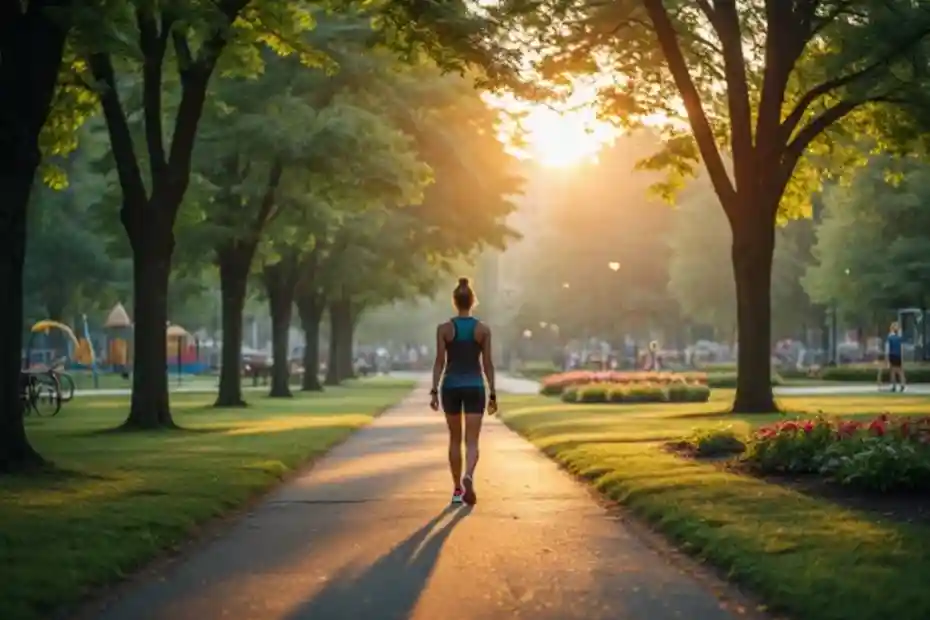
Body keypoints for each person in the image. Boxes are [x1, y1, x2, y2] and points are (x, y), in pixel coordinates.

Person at [429, 277, 497, 506]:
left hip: (450, 387)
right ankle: (469, 475)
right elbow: (487, 364)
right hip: (475, 387)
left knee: (454, 439)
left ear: (455, 302)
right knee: (472, 441)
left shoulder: (444, 329)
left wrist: (433, 390)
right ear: (472, 301)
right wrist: (493, 392)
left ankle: (457, 489)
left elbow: (440, 361)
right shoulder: (483, 330)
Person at [885, 321, 906, 392]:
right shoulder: (899, 338)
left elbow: (887, 349)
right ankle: (902, 385)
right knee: (900, 371)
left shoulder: (889, 338)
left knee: (893, 371)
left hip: (892, 355)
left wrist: (887, 359)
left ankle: (894, 386)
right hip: (898, 355)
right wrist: (902, 358)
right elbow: (902, 349)